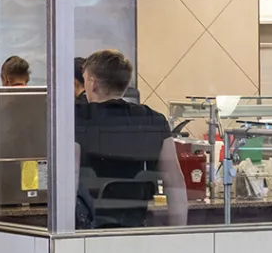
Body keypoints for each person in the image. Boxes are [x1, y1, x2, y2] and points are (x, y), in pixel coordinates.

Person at [74, 49, 187, 229]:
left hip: (88, 233)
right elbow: (175, 181)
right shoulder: (154, 120)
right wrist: (179, 232)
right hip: (135, 230)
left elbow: (69, 175)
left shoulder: (78, 118)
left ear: (92, 83)